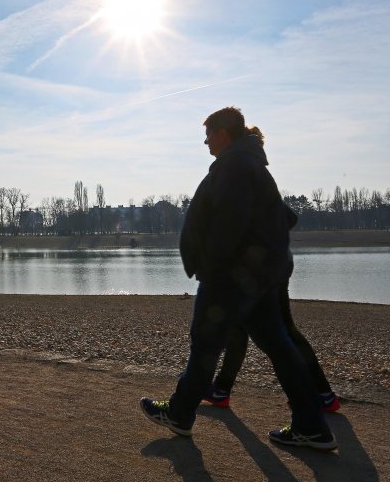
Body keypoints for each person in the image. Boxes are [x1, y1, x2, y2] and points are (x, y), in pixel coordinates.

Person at [139, 107, 336, 451]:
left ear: (223, 134)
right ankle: (312, 425)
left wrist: (212, 267)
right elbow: (281, 216)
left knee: (205, 343)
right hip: (256, 275)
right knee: (277, 344)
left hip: (232, 276)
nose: (205, 141)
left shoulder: (236, 166)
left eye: (209, 134)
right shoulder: (250, 164)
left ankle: (181, 413)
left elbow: (229, 223)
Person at [204, 252, 341, 412]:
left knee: (275, 334)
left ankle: (318, 396)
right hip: (274, 256)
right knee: (243, 326)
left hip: (255, 263)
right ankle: (221, 389)